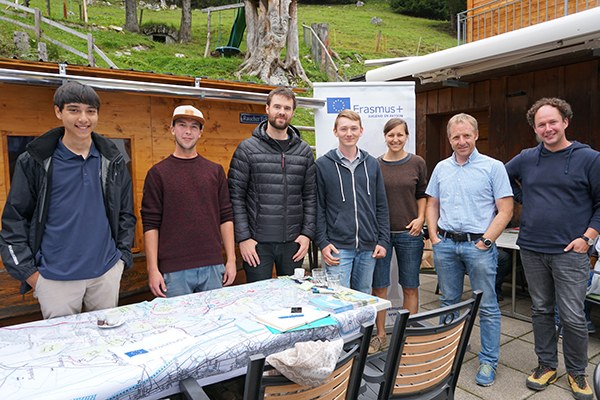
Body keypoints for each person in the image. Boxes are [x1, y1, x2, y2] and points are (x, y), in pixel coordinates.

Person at [0, 81, 136, 319]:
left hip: (105, 273)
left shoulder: (112, 160)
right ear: (58, 111)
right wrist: (31, 275)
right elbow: (15, 219)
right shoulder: (34, 161)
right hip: (55, 279)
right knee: (63, 341)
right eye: (74, 110)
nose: (83, 118)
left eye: (90, 111)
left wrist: (121, 260)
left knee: (106, 338)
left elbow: (126, 213)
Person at [505, 97, 600, 400]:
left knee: (572, 316)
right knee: (541, 310)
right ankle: (546, 364)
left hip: (571, 251)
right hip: (532, 248)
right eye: (541, 124)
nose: (547, 128)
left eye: (553, 122)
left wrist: (587, 238)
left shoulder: (589, 158)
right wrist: (526, 198)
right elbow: (502, 178)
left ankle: (577, 371)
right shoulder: (526, 158)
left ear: (566, 122)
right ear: (535, 128)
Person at [426, 113, 513, 387]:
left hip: (479, 246)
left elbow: (506, 209)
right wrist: (434, 237)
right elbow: (432, 204)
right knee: (448, 302)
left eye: (466, 135)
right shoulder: (441, 168)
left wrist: (486, 241)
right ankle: (448, 353)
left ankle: (488, 360)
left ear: (476, 135)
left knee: (487, 306)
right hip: (446, 245)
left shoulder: (493, 167)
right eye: (456, 136)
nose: (461, 141)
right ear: (449, 139)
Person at [141, 105, 236, 298]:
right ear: (172, 129)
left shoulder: (215, 171)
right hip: (174, 270)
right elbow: (150, 224)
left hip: (213, 265)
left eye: (194, 127)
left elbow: (226, 217)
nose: (188, 131)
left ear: (200, 132)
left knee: (214, 316)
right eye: (182, 125)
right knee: (178, 318)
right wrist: (152, 269)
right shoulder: (157, 174)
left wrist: (231, 260)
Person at [228, 87, 316, 282]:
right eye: (277, 106)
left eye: (287, 108)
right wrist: (243, 238)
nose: (282, 112)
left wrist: (306, 234)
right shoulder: (247, 149)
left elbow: (310, 196)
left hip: (293, 244)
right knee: (259, 297)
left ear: (293, 112)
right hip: (257, 245)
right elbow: (235, 197)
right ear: (267, 109)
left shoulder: (303, 151)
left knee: (292, 296)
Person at [369, 118, 427, 354]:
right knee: (379, 287)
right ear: (385, 137)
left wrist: (421, 218)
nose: (395, 139)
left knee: (410, 286)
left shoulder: (417, 162)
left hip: (409, 233)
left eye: (400, 135)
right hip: (381, 235)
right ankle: (380, 335)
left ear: (406, 136)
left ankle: (407, 336)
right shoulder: (375, 164)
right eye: (391, 135)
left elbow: (422, 194)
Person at [315, 109, 390, 295]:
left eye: (354, 128)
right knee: (338, 297)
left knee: (363, 296)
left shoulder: (372, 164)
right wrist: (322, 242)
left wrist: (383, 240)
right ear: (335, 132)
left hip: (368, 247)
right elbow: (318, 207)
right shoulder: (322, 165)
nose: (349, 133)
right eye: (344, 129)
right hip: (338, 247)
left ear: (361, 131)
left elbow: (381, 205)